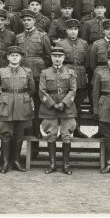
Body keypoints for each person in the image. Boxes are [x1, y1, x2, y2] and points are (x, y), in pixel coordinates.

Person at [0, 46, 36, 173]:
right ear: (8, 57)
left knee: (19, 135)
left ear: (21, 58)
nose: (14, 57)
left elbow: (32, 89)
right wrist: (4, 99)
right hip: (5, 105)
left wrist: (23, 98)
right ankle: (5, 162)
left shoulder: (27, 71)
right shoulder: (1, 72)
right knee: (6, 134)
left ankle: (16, 161)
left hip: (22, 105)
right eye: (12, 55)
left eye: (17, 55)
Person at [39, 46, 78, 174]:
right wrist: (52, 104)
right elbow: (42, 91)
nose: (57, 59)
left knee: (66, 135)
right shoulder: (45, 72)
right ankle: (52, 164)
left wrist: (64, 103)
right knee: (51, 135)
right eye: (55, 56)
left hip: (67, 109)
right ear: (51, 57)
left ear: (63, 58)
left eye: (59, 56)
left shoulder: (70, 72)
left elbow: (73, 90)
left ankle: (66, 165)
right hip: (50, 109)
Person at [17, 9, 52, 138]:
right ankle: (25, 129)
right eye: (24, 20)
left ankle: (36, 129)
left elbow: (48, 56)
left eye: (29, 20)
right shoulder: (18, 37)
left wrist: (41, 69)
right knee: (23, 102)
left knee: (37, 103)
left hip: (37, 74)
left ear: (34, 21)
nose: (26, 22)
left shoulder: (42, 36)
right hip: (22, 75)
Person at [58, 18, 90, 138]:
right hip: (65, 76)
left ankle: (77, 129)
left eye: (75, 29)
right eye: (70, 29)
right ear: (66, 31)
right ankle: (63, 130)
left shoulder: (84, 43)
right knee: (65, 103)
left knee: (77, 105)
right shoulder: (61, 44)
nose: (73, 32)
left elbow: (87, 62)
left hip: (80, 77)